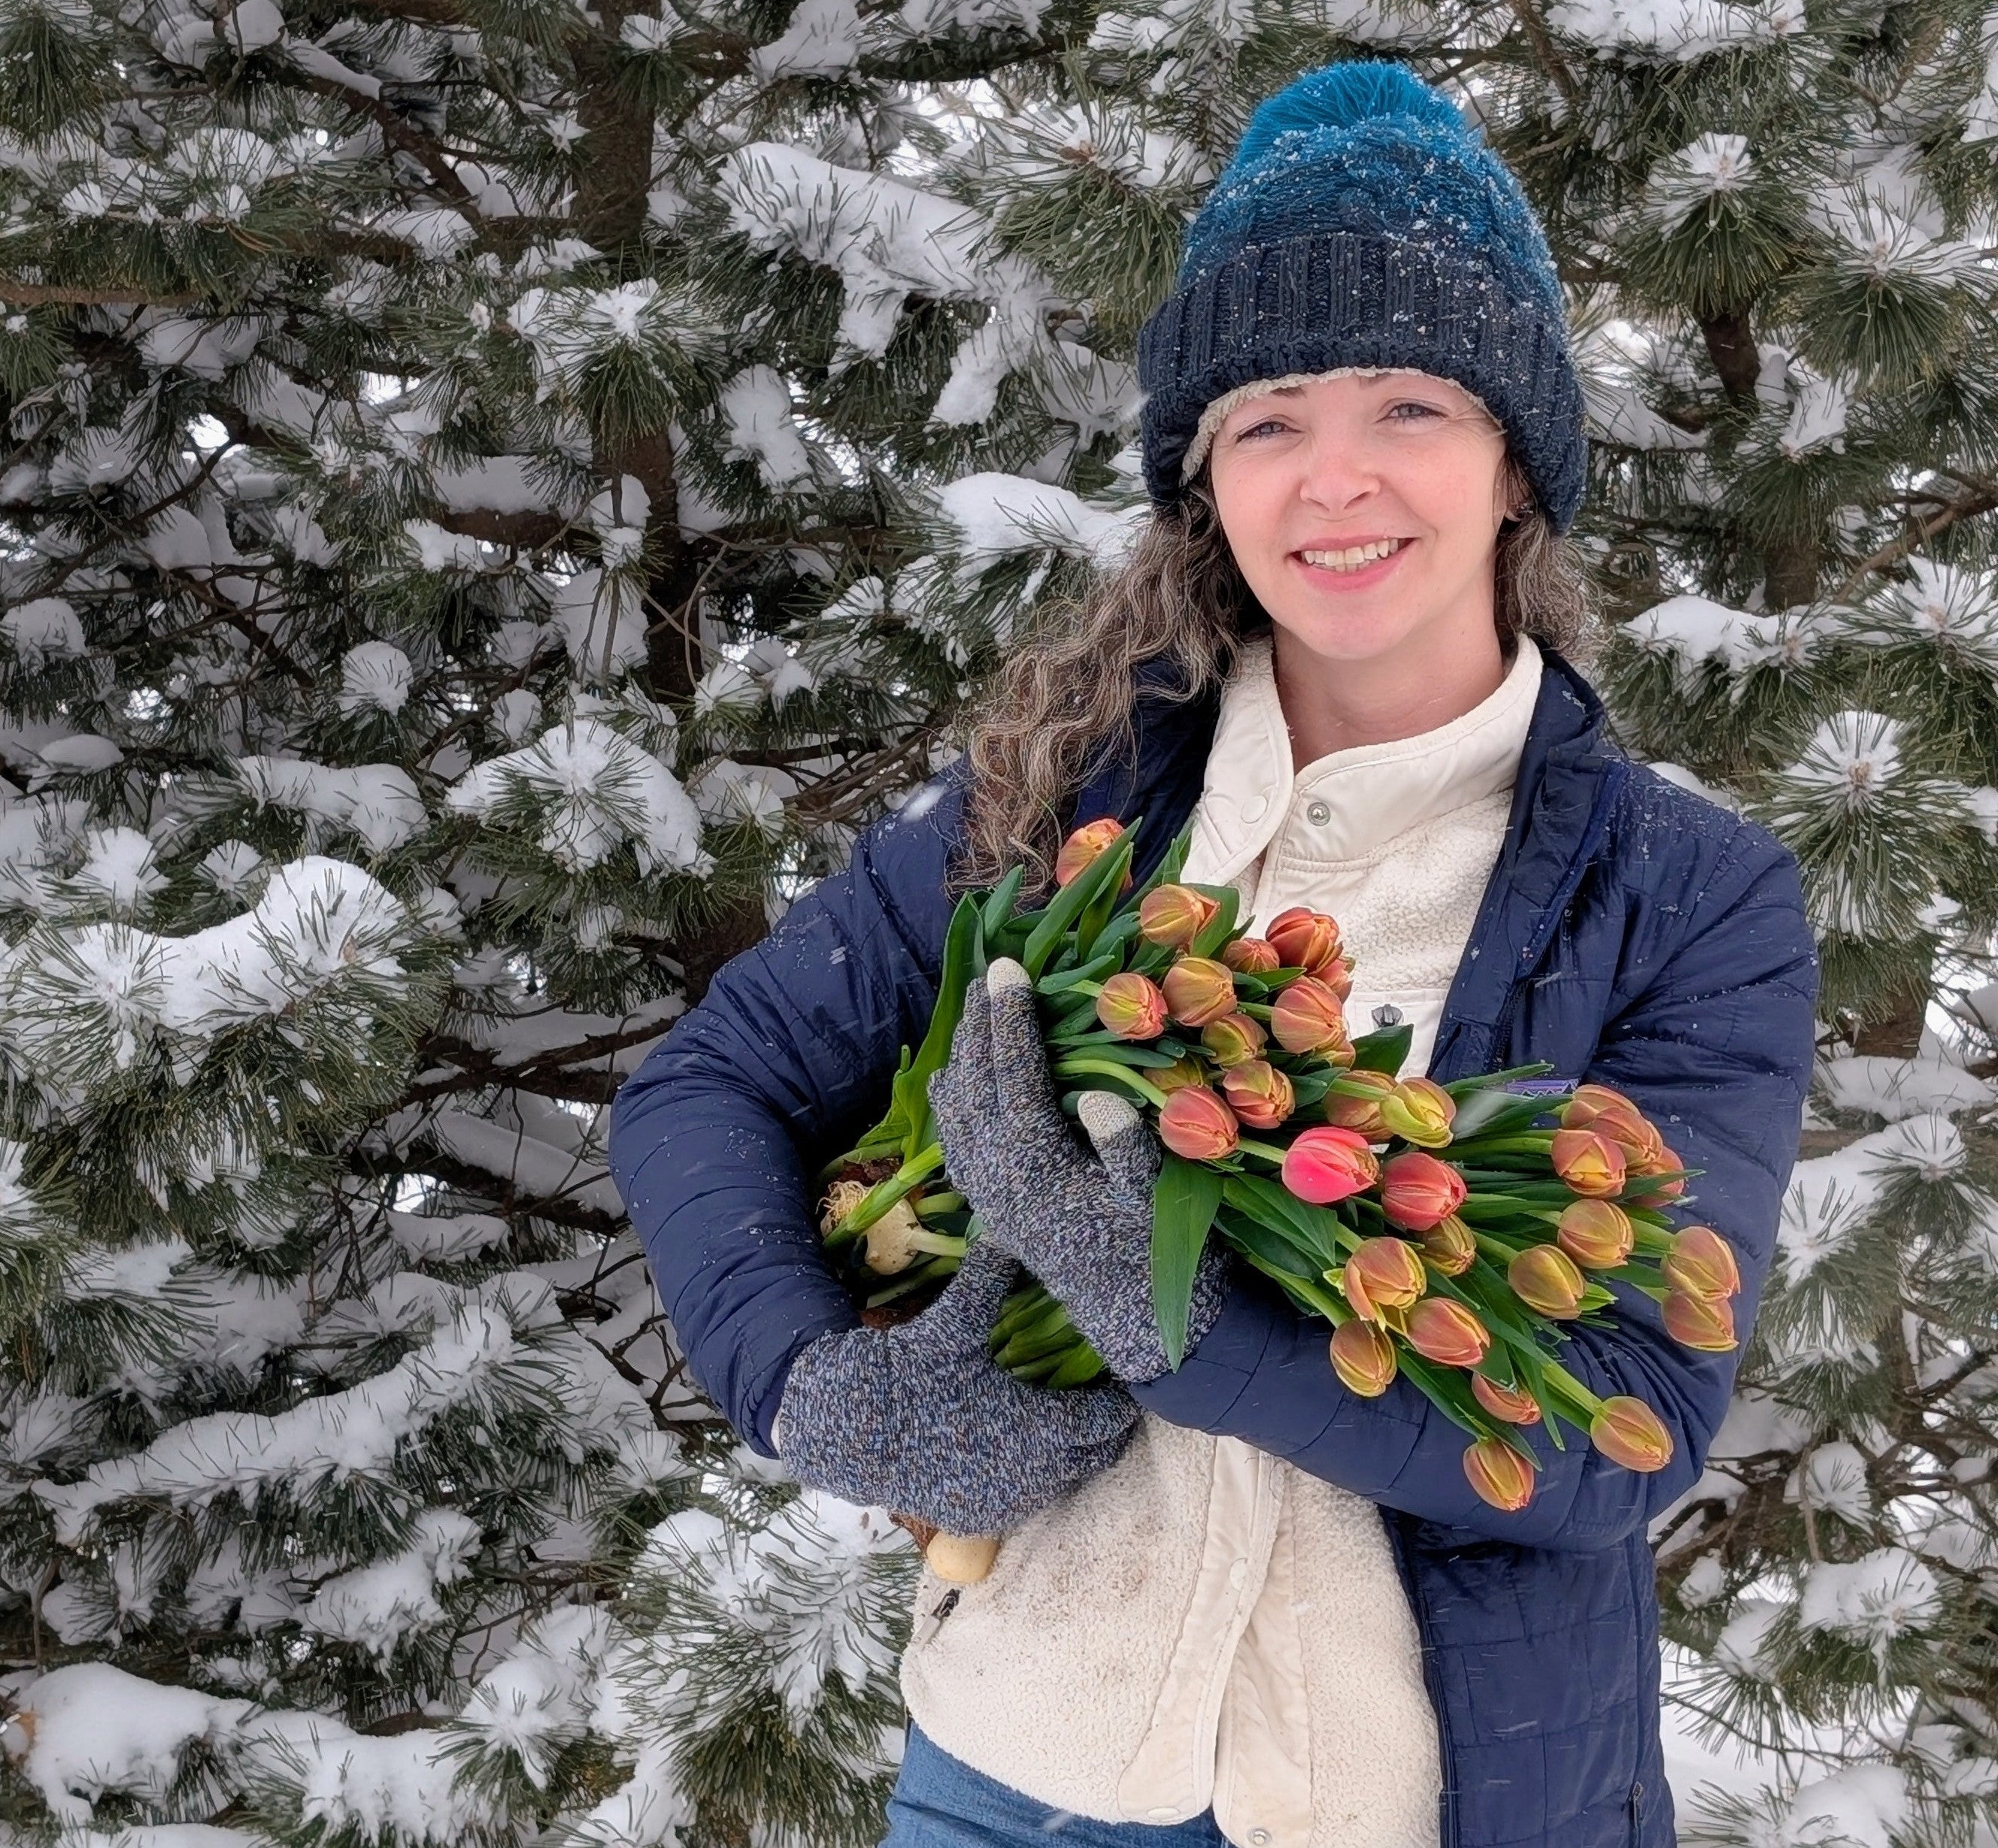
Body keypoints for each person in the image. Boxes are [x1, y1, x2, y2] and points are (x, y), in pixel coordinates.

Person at [608, 59, 1818, 1848]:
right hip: (1005, 1776)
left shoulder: (1682, 892)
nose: (1335, 477)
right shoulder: (1057, 800)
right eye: (1266, 418)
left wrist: (1177, 1319)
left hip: (1418, 1804)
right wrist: (822, 1385)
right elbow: (706, 1083)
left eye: (1410, 402)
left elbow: (1622, 1418)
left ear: (1514, 464)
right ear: (1208, 482)